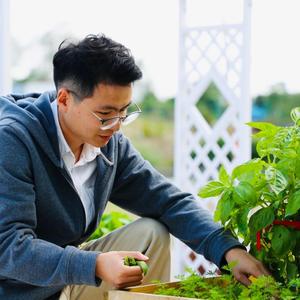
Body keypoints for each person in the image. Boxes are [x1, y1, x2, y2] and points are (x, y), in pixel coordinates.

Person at [0, 34, 269, 300]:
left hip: (64, 284)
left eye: (124, 111)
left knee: (152, 233)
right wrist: (94, 265)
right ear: (64, 100)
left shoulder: (109, 144)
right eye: (105, 115)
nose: (116, 125)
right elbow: (8, 247)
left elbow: (168, 202)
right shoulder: (13, 141)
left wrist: (228, 250)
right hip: (16, 291)